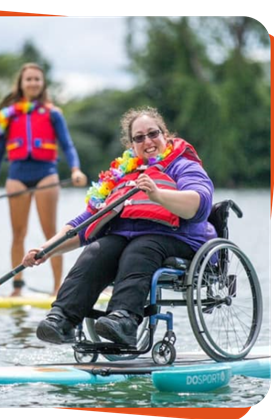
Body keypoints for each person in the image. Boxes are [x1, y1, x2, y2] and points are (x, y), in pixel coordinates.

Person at [22, 106, 216, 346]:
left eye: (153, 133)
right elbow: (85, 223)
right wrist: (46, 249)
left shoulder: (183, 165)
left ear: (165, 134)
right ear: (132, 145)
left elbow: (201, 204)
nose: (148, 141)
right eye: (139, 138)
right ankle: (62, 318)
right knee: (99, 248)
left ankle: (124, 319)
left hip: (179, 239)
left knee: (141, 247)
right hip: (129, 240)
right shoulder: (120, 176)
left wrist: (158, 195)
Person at [0, 63, 87, 297]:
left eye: (37, 79)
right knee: (18, 234)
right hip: (17, 177)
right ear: (21, 83)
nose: (32, 83)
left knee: (51, 233)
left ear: (43, 84)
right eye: (28, 79)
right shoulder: (8, 115)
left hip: (46, 176)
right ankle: (17, 288)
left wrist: (75, 170)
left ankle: (57, 289)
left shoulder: (53, 113)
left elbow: (67, 145)